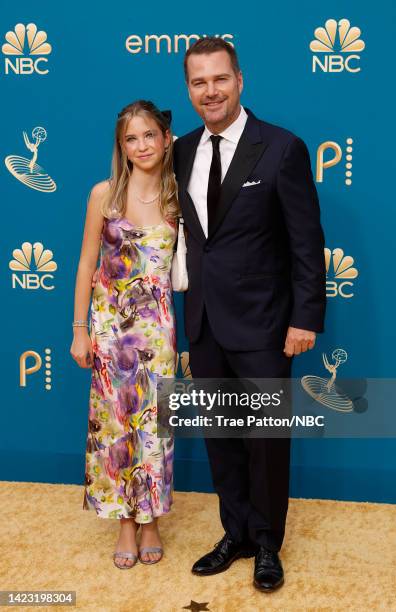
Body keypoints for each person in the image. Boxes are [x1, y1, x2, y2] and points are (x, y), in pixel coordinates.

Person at [173, 38, 326, 592]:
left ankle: (266, 543)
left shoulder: (282, 147)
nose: (209, 91)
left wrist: (305, 318)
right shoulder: (181, 149)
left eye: (219, 79)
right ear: (188, 89)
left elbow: (307, 243)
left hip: (265, 324)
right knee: (221, 435)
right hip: (204, 322)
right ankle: (233, 531)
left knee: (264, 440)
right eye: (198, 82)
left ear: (240, 81)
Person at [70, 100, 178, 569]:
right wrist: (79, 331)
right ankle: (125, 522)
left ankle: (151, 517)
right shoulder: (104, 195)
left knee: (155, 429)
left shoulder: (180, 196)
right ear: (121, 145)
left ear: (166, 138)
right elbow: (85, 264)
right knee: (115, 428)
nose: (141, 145)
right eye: (131, 138)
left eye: (149, 135)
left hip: (157, 335)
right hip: (110, 331)